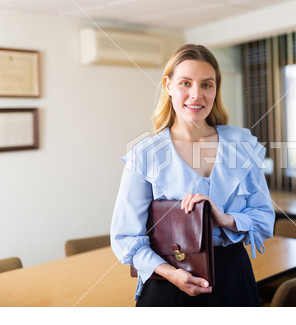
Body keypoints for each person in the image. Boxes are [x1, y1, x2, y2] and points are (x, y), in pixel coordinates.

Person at [110, 44, 275, 307]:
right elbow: (125, 237)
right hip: (170, 283)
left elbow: (265, 219)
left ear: (216, 89)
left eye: (206, 85)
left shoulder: (242, 145)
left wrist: (224, 218)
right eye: (185, 83)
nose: (196, 95)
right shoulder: (144, 155)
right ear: (168, 85)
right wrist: (170, 273)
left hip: (234, 279)